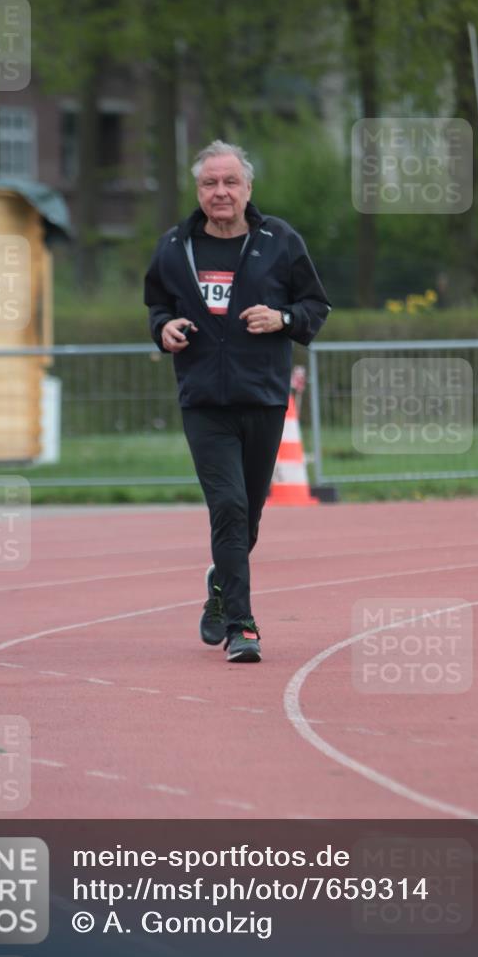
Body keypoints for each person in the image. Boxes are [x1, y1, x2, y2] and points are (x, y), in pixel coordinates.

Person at [145, 140, 330, 662]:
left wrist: (283, 319)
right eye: (210, 183)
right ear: (198, 190)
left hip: (263, 396)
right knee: (226, 506)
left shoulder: (280, 240)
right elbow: (156, 305)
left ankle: (220, 585)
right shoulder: (174, 245)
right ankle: (241, 626)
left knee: (247, 516)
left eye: (230, 182)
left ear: (248, 188)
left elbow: (315, 304)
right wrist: (164, 329)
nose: (220, 192)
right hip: (204, 399)